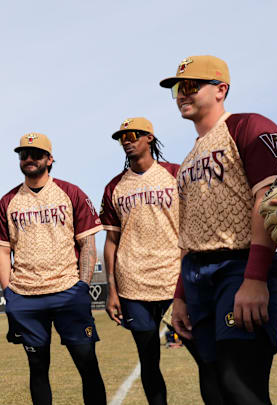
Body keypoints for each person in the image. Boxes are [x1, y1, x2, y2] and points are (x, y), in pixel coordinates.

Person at [161, 55, 277, 404]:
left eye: (190, 86)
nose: (181, 94)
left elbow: (271, 199)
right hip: (196, 276)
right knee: (214, 388)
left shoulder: (250, 126)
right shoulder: (187, 159)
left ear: (221, 89)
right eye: (176, 88)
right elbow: (188, 232)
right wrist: (180, 294)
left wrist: (255, 277)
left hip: (239, 266)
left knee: (240, 385)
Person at [100, 117, 223, 404]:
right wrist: (112, 289)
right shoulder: (114, 187)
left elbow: (194, 225)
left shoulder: (176, 174)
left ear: (149, 138)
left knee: (204, 357)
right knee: (149, 362)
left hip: (175, 281)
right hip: (133, 284)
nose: (127, 140)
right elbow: (111, 242)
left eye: (132, 134)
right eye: (122, 137)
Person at [0, 133, 106, 405]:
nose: (29, 159)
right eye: (23, 154)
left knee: (87, 365)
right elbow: (3, 250)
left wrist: (82, 287)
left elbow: (88, 243)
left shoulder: (71, 192)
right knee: (38, 369)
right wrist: (10, 294)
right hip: (26, 297)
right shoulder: (8, 200)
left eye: (36, 154)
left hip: (67, 292)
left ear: (50, 159)